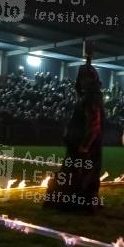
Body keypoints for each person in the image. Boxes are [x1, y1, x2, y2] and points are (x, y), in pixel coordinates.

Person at [43, 43, 104, 214]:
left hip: (83, 147)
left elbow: (94, 124)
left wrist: (84, 145)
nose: (81, 81)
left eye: (84, 78)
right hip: (79, 145)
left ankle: (78, 202)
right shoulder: (88, 97)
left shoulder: (90, 99)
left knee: (80, 175)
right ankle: (77, 200)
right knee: (76, 174)